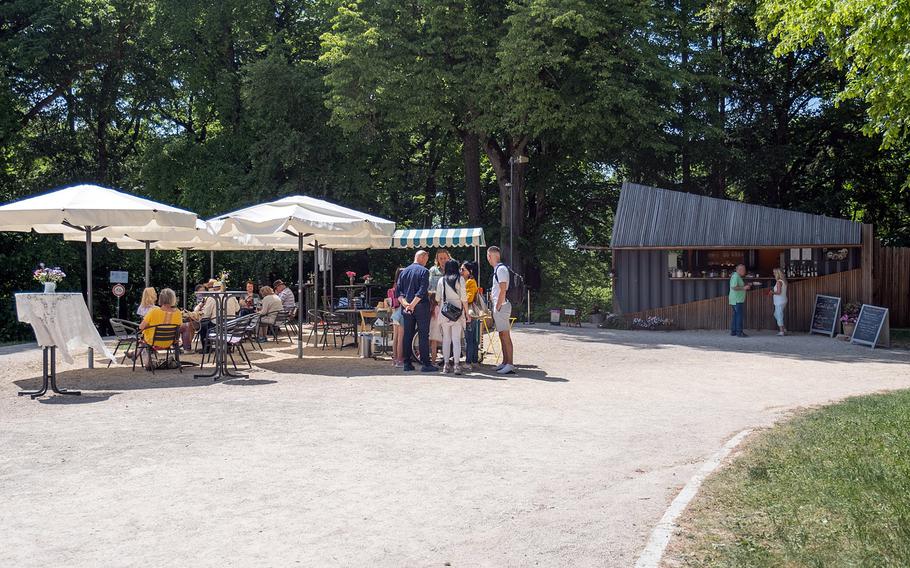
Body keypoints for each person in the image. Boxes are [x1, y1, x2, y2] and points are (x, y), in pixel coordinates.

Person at [397, 250, 438, 373]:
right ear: (422, 257)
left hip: (406, 307)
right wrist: (413, 305)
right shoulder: (424, 271)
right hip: (420, 306)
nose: (426, 262)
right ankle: (425, 363)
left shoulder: (403, 272)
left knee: (407, 335)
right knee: (423, 335)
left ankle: (407, 363)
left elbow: (398, 292)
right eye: (426, 258)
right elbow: (422, 290)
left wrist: (406, 305)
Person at [132, 288, 182, 367]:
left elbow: (141, 327)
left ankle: (146, 360)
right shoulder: (178, 312)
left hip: (153, 342)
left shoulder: (153, 311)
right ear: (173, 298)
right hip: (170, 342)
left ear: (160, 299)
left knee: (143, 336)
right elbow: (180, 328)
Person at [436, 259, 467, 374]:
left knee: (446, 340)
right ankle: (457, 365)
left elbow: (437, 299)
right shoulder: (460, 279)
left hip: (445, 312)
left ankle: (446, 365)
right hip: (457, 312)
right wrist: (467, 314)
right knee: (456, 340)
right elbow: (464, 298)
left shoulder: (441, 280)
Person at [487, 246, 515, 374]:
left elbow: (503, 289)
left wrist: (498, 305)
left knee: (505, 335)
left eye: (488, 255)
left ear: (491, 256)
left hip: (502, 306)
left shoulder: (501, 269)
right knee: (502, 335)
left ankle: (510, 364)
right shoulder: (498, 269)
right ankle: (505, 362)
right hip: (500, 306)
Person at [428, 249, 450, 362]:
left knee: (448, 333)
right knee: (435, 334)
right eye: (440, 258)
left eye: (444, 258)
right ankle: (433, 360)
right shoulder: (433, 270)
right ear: (437, 259)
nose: (443, 261)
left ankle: (447, 359)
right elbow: (429, 288)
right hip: (436, 305)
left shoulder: (452, 270)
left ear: (448, 258)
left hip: (450, 306)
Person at [461, 261, 480, 371]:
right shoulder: (469, 281)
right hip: (470, 312)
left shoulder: (470, 282)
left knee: (470, 338)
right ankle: (474, 360)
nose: (461, 271)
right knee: (472, 338)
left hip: (469, 312)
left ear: (470, 271)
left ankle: (469, 362)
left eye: (463, 269)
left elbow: (469, 298)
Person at [729, 263, 752, 337]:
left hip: (735, 299)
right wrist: (744, 288)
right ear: (739, 270)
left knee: (736, 315)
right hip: (737, 299)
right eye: (744, 269)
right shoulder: (736, 276)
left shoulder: (736, 276)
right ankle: (739, 332)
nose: (745, 271)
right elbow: (734, 287)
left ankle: (734, 331)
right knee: (739, 316)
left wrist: (745, 286)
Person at [388, 267, 405, 367]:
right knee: (401, 339)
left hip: (394, 313)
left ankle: (394, 359)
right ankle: (400, 360)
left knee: (395, 338)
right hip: (401, 313)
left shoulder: (394, 286)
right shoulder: (403, 286)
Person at [771, 267, 788, 336]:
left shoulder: (778, 282)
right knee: (776, 314)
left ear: (777, 274)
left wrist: (772, 292)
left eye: (774, 273)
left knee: (779, 315)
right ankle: (783, 328)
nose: (773, 274)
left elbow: (778, 292)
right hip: (783, 300)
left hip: (779, 301)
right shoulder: (784, 281)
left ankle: (781, 331)